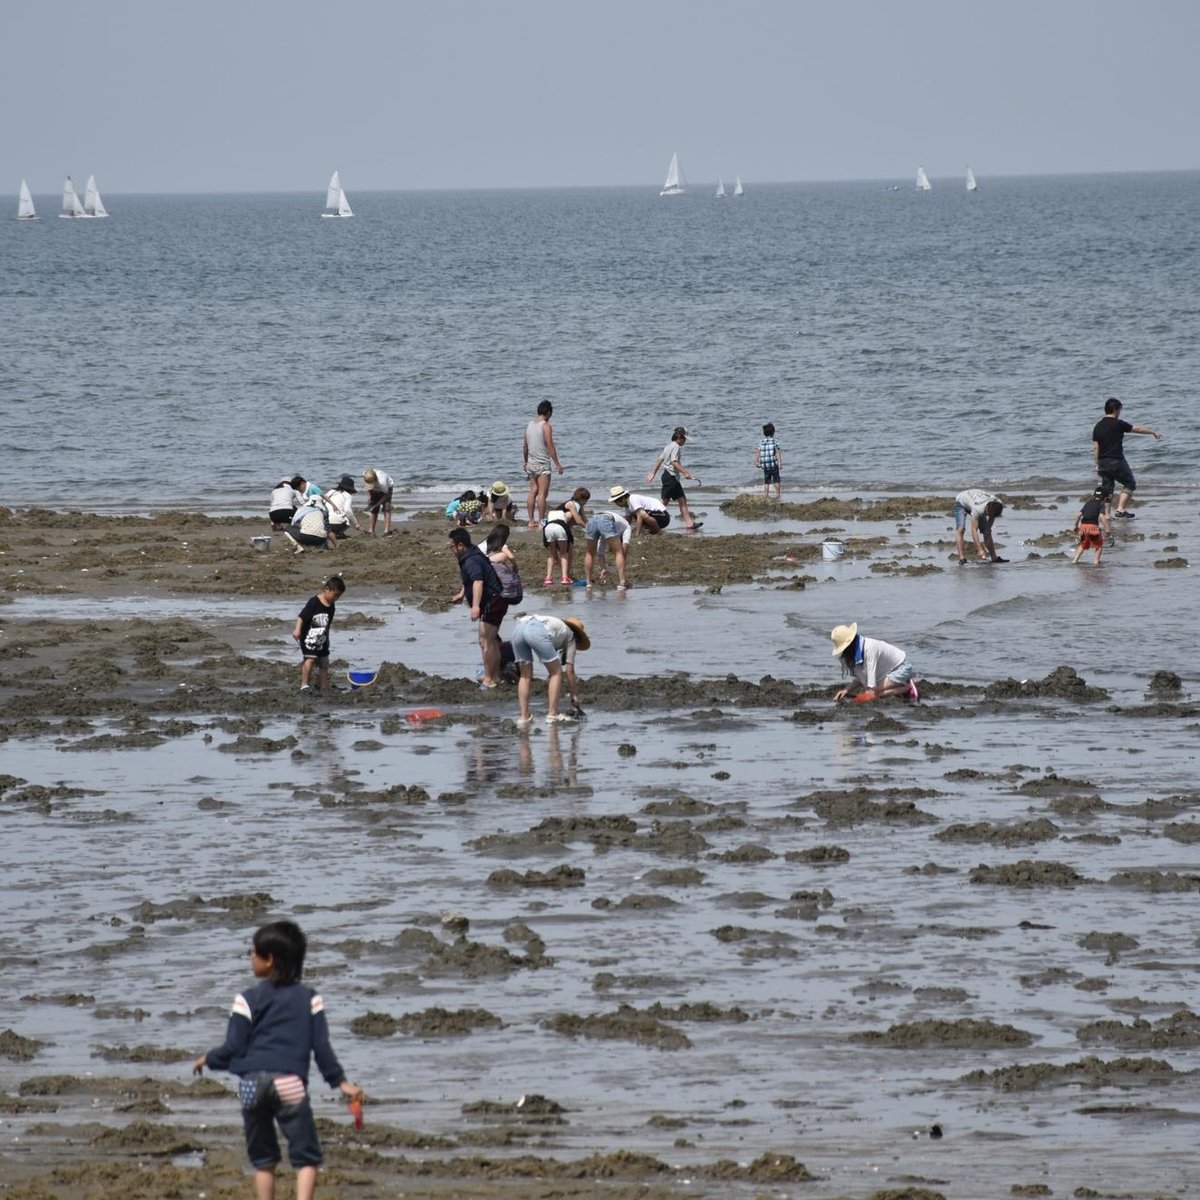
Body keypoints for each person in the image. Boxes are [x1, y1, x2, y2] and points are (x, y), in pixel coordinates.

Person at [192, 920, 363, 1200]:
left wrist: (208, 1059)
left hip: (250, 1085)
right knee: (306, 1157)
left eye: (253, 952)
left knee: (263, 1160)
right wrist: (340, 1083)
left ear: (269, 959)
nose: (251, 957)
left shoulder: (246, 999)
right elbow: (321, 1047)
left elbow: (233, 1046)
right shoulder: (309, 999)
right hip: (289, 1083)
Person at [449, 527, 507, 688]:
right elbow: (470, 579)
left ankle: (489, 679)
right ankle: (495, 676)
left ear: (460, 545)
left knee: (485, 640)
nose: (451, 550)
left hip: (492, 601)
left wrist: (475, 606)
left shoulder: (471, 559)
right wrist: (462, 594)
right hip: (495, 600)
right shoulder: (472, 552)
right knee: (492, 640)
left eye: (452, 546)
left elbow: (478, 581)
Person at [511, 612, 589, 727]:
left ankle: (524, 717)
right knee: (556, 673)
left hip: (519, 628)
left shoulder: (556, 625)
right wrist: (574, 695)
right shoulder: (571, 636)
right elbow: (570, 670)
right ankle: (552, 714)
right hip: (535, 631)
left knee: (525, 676)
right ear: (578, 635)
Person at [1092, 397, 1164, 519]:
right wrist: (1153, 432)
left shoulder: (1098, 426)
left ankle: (1107, 515)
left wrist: (1097, 463)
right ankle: (1120, 509)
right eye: (1119, 410)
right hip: (1116, 460)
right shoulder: (1118, 424)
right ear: (1115, 409)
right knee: (1130, 483)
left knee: (1107, 488)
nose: (1120, 412)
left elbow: (1095, 447)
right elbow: (1138, 429)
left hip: (1103, 462)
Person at [831, 623, 919, 703]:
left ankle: (906, 688)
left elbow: (871, 691)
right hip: (888, 670)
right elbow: (860, 678)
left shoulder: (869, 649)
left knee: (875, 692)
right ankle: (897, 685)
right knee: (866, 689)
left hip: (901, 668)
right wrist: (846, 690)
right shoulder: (857, 652)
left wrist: (855, 702)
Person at [292, 575, 344, 692]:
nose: (336, 598)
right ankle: (304, 684)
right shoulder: (314, 602)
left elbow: (327, 625)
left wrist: (327, 639)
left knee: (324, 663)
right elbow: (302, 617)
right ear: (326, 589)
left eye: (338, 597)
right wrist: (297, 630)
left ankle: (324, 685)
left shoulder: (331, 606)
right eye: (334, 595)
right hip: (309, 638)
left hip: (322, 639)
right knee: (310, 659)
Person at [646, 426, 702, 530]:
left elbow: (659, 460)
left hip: (671, 477)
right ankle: (648, 520)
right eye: (684, 439)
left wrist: (653, 473)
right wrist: (685, 473)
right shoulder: (676, 446)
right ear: (680, 437)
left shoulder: (668, 446)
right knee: (663, 503)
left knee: (682, 500)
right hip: (670, 477)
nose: (685, 441)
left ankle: (689, 523)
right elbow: (674, 462)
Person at [522, 401, 564, 528]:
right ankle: (541, 521)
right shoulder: (545, 426)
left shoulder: (529, 424)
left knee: (532, 491)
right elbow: (550, 446)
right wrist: (557, 463)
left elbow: (525, 446)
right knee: (542, 493)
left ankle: (530, 520)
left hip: (531, 463)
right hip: (542, 464)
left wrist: (525, 461)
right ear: (549, 412)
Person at [542, 487, 589, 585]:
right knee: (566, 553)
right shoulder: (571, 504)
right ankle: (566, 576)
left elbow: (585, 519)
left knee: (557, 554)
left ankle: (553, 577)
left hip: (549, 529)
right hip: (561, 528)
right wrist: (589, 530)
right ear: (581, 498)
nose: (586, 502)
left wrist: (590, 525)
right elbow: (578, 520)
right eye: (585, 500)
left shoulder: (579, 506)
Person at [953, 489, 1006, 564]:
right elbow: (974, 530)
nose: (989, 516)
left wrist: (988, 529)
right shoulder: (978, 509)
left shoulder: (998, 503)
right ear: (987, 510)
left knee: (986, 531)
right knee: (961, 529)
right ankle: (962, 558)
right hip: (961, 502)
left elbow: (992, 517)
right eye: (988, 514)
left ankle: (994, 558)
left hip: (974, 501)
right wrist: (979, 549)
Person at [583, 508, 630, 589]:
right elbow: (625, 546)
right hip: (606, 520)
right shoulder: (627, 527)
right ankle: (622, 582)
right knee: (619, 552)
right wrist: (623, 562)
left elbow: (600, 551)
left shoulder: (619, 525)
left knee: (589, 553)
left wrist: (603, 568)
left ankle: (588, 583)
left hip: (592, 520)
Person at [1072, 486, 1112, 566]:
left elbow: (1079, 514)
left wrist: (1076, 526)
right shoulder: (1101, 504)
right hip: (1093, 527)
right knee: (1098, 545)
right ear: (1103, 497)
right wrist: (1107, 529)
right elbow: (1101, 517)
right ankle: (1096, 562)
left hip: (1083, 526)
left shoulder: (1088, 503)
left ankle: (1075, 560)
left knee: (1082, 544)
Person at [485, 523, 523, 606]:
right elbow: (511, 557)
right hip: (493, 564)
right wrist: (515, 566)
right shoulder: (501, 545)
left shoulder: (487, 543)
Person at [323, 475, 363, 542]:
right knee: (346, 517)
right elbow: (348, 511)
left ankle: (328, 533)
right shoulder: (348, 496)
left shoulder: (331, 492)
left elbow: (322, 502)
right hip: (336, 525)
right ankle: (337, 533)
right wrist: (356, 524)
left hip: (324, 524)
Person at [361, 467, 394, 536]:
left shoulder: (382, 482)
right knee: (373, 509)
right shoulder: (365, 475)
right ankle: (371, 531)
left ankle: (386, 531)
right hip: (376, 488)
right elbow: (368, 486)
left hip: (386, 490)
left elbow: (386, 495)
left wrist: (378, 504)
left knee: (386, 508)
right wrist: (370, 495)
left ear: (375, 479)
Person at [755, 423, 782, 500]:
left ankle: (766, 495)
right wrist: (780, 463)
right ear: (773, 432)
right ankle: (778, 494)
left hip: (765, 465)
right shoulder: (775, 441)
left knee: (766, 481)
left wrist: (757, 461)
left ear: (764, 433)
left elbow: (758, 452)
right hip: (773, 463)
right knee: (776, 479)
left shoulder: (761, 441)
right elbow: (778, 452)